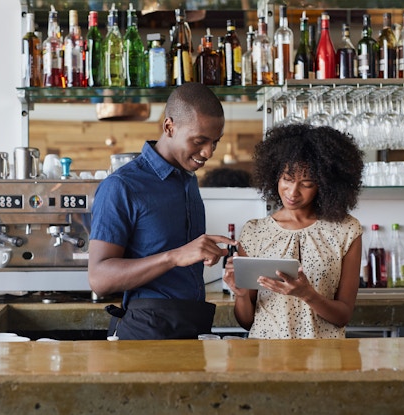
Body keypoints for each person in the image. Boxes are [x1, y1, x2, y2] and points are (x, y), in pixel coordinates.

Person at [88, 83, 236, 340]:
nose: (209, 152)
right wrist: (175, 256)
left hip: (192, 324)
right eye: (200, 141)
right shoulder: (121, 186)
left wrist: (201, 252)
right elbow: (99, 279)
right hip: (145, 331)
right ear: (169, 127)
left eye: (215, 142)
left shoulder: (187, 180)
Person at [223, 123, 364, 339]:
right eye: (287, 180)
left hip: (323, 356)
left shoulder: (346, 230)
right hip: (267, 355)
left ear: (325, 185)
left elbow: (343, 315)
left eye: (306, 184)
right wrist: (241, 295)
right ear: (275, 175)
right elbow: (247, 322)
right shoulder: (254, 232)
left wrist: (308, 295)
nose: (292, 192)